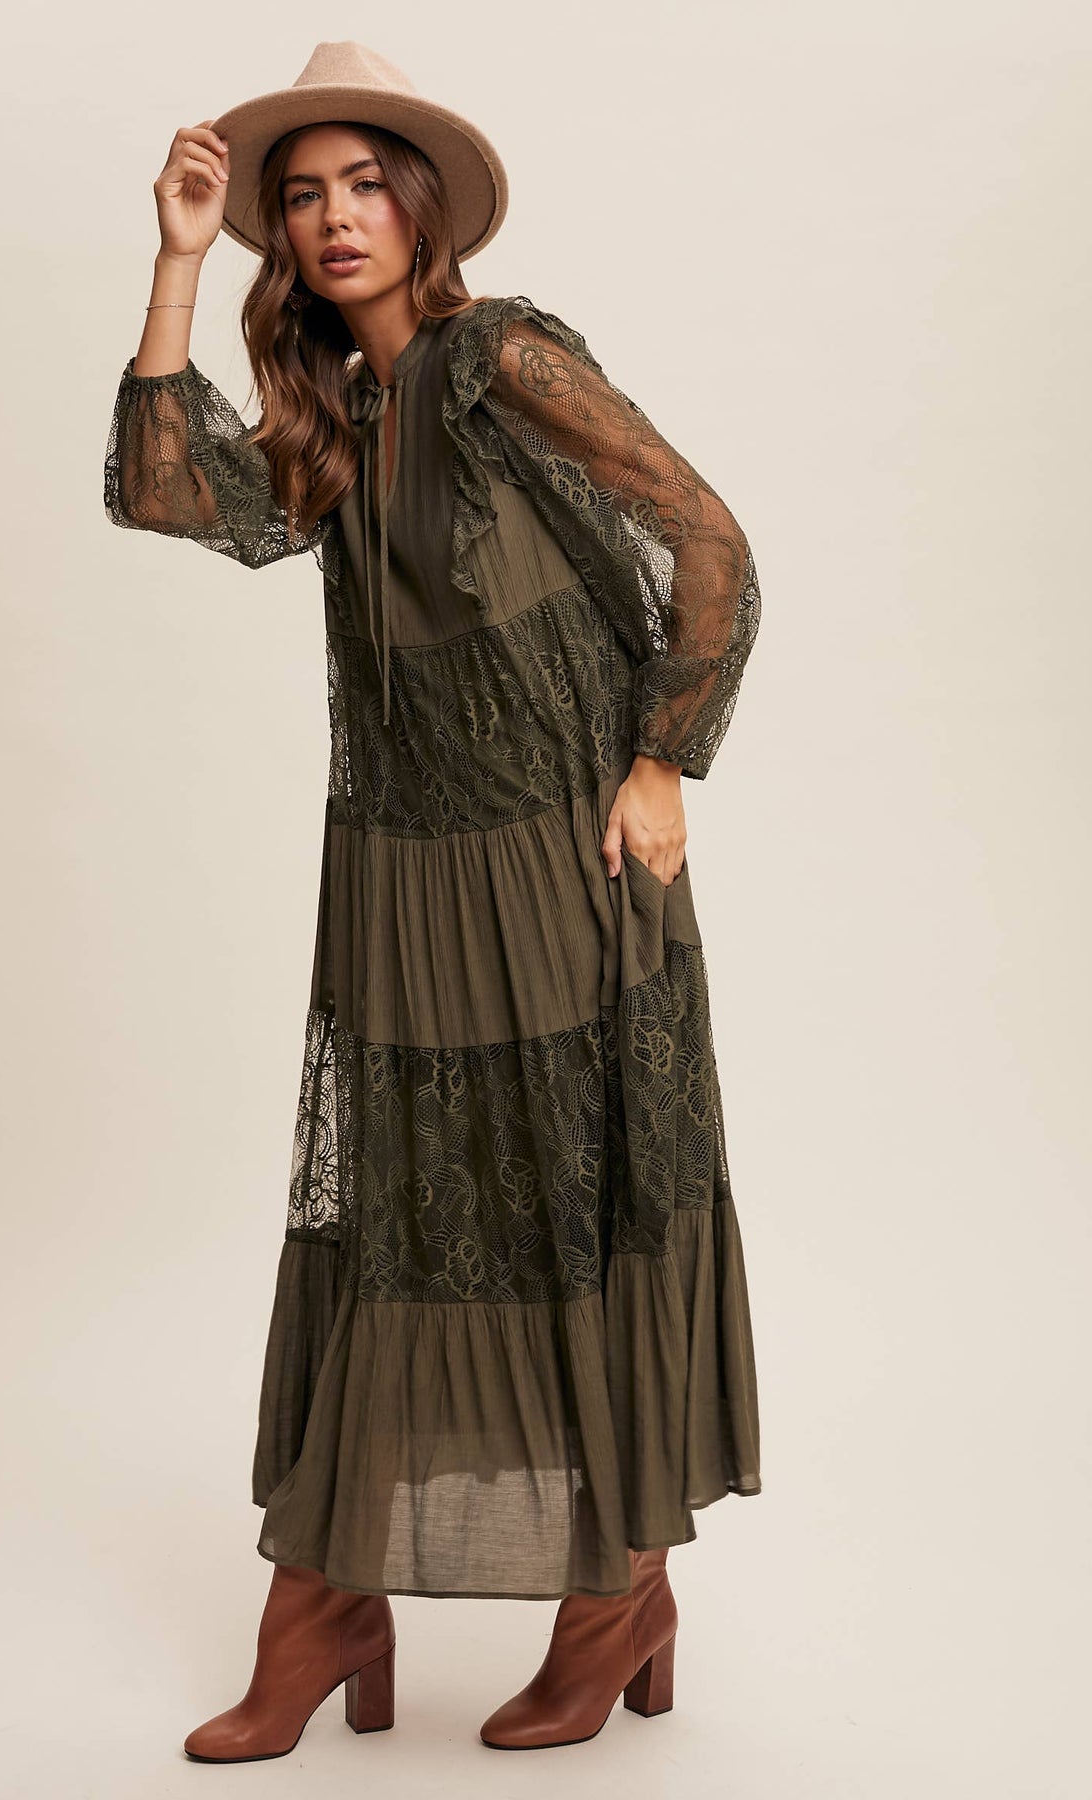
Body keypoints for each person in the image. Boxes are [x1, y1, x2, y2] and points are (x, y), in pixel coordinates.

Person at [103, 38, 763, 1761]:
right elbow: (166, 489)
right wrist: (180, 259)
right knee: (397, 1228)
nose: (335, 219)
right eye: (301, 197)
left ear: (423, 206)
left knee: (567, 1218)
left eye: (364, 185)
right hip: (396, 876)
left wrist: (660, 762)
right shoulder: (340, 412)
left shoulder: (500, 361)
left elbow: (708, 540)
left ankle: (618, 1593)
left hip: (558, 863)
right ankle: (327, 1604)